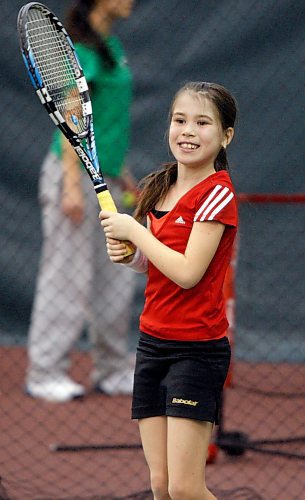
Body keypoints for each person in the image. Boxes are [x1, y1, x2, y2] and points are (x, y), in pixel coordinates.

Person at [100, 81, 238, 500]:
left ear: (226, 135)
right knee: (160, 485)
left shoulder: (217, 194)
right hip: (153, 345)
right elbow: (158, 266)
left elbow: (188, 272)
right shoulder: (161, 188)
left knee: (185, 488)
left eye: (202, 123)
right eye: (180, 120)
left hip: (196, 352)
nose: (188, 131)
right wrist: (131, 256)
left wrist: (135, 234)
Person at [26, 0, 137, 403]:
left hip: (108, 179)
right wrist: (72, 186)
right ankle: (45, 372)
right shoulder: (79, 50)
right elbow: (71, 120)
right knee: (67, 276)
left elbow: (107, 121)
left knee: (117, 273)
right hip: (74, 176)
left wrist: (123, 176)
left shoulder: (111, 45)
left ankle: (112, 369)